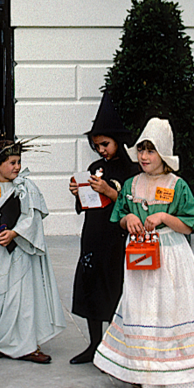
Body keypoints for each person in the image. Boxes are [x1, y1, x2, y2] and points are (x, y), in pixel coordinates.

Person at [94, 118, 194, 388]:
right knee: (142, 307)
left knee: (171, 308)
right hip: (139, 255)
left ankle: (180, 372)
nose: (144, 157)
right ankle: (145, 371)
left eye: (150, 151)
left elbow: (189, 223)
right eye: (141, 150)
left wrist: (165, 216)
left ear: (163, 154)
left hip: (170, 257)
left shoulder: (177, 185)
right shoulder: (131, 184)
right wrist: (129, 218)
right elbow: (119, 216)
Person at [0, 139, 66, 364]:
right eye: (12, 162)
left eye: (19, 162)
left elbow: (31, 218)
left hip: (18, 253)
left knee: (22, 299)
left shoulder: (25, 188)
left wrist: (14, 234)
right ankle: (5, 343)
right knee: (0, 301)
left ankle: (28, 345)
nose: (17, 167)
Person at [68, 92, 138, 364]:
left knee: (114, 288)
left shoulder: (131, 171)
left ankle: (115, 345)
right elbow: (86, 205)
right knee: (91, 285)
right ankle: (94, 343)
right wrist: (78, 193)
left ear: (118, 142)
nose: (101, 150)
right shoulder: (94, 167)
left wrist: (109, 190)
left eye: (105, 144)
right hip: (93, 235)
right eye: (97, 145)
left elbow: (134, 205)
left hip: (116, 238)